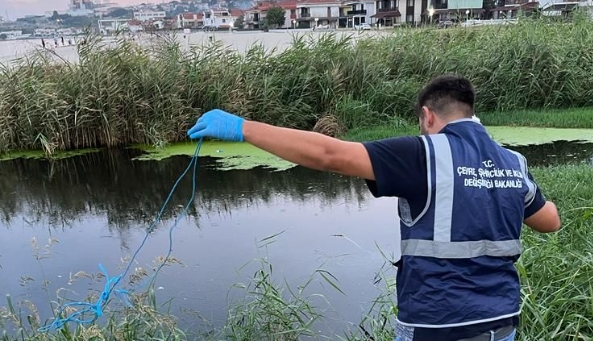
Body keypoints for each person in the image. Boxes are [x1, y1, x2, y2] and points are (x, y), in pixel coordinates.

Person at [187, 74, 561, 341]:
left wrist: (243, 127)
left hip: (436, 325)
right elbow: (550, 221)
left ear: (428, 116)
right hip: (501, 322)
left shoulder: (423, 153)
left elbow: (329, 153)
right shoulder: (512, 163)